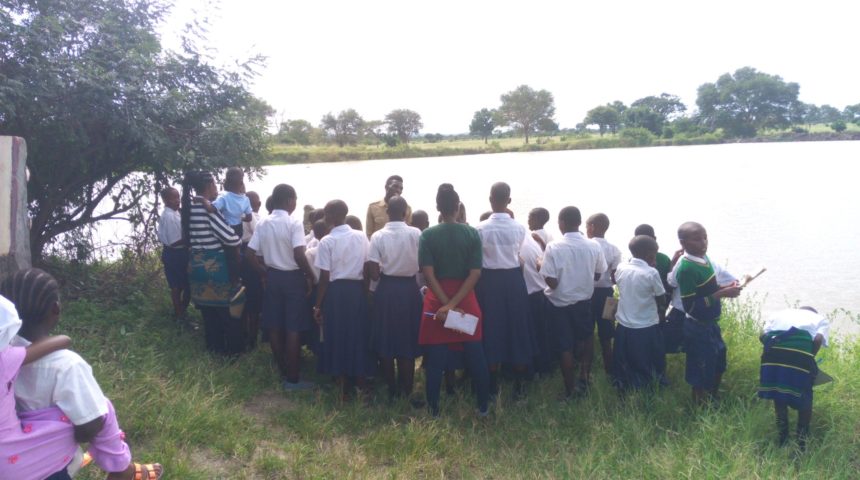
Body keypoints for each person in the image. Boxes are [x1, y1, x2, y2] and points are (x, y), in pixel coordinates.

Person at [1, 272, 163, 480]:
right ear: (55, 309)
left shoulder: (6, 355)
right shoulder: (67, 366)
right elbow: (91, 425)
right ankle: (120, 469)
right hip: (42, 466)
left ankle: (102, 464)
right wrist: (71, 438)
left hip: (16, 449)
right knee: (103, 409)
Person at [418, 184, 490, 417]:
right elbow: (475, 274)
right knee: (475, 354)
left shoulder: (427, 235)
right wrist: (454, 304)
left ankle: (434, 410)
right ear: (458, 207)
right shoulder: (471, 234)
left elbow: (428, 274)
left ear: (438, 208)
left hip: (436, 301)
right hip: (465, 298)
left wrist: (445, 304)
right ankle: (483, 407)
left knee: (436, 358)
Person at [246, 184, 316, 391]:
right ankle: (293, 379)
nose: (295, 204)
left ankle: (283, 370)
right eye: (295, 200)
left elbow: (250, 254)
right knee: (293, 327)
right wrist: (310, 275)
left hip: (273, 277)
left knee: (275, 326)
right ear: (288, 200)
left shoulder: (263, 222)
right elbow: (298, 254)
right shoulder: (293, 222)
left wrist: (264, 273)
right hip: (292, 279)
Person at [672, 221, 742, 405]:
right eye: (697, 239)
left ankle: (713, 398)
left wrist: (728, 288)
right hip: (697, 327)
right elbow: (690, 306)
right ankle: (698, 408)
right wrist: (721, 294)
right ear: (683, 243)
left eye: (705, 238)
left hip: (711, 324)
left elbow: (709, 288)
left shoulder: (705, 259)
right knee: (700, 368)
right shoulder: (686, 269)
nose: (703, 243)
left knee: (718, 360)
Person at [475, 182, 533, 400]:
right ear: (509, 201)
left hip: (489, 282)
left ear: (490, 199)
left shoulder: (479, 229)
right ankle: (519, 384)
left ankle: (492, 385)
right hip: (513, 280)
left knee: (491, 328)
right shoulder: (519, 228)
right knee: (517, 328)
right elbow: (518, 255)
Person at [541, 206, 607, 399]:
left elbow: (552, 283)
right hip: (584, 301)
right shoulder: (593, 246)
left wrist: (540, 265)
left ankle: (570, 390)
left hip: (560, 305)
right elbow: (597, 273)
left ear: (561, 223)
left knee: (565, 347)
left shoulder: (553, 247)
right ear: (580, 223)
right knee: (586, 338)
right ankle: (584, 377)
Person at [314, 200, 374, 399]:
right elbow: (366, 269)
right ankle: (361, 384)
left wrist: (318, 304)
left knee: (337, 335)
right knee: (358, 335)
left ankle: (342, 387)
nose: (324, 218)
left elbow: (324, 278)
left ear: (331, 215)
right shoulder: (360, 236)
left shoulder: (327, 241)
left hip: (336, 292)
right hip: (356, 290)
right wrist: (364, 292)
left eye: (326, 214)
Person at [182, 170, 245, 355]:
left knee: (208, 313)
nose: (217, 188)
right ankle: (234, 352)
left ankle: (214, 349)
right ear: (209, 186)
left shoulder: (188, 207)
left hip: (197, 265)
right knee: (228, 314)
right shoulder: (208, 209)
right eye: (215, 184)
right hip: (215, 268)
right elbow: (232, 239)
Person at [367, 196, 423, 400]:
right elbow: (423, 264)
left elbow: (373, 273)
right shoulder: (416, 233)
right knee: (406, 340)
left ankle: (391, 389)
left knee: (386, 339)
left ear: (388, 211)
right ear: (405, 212)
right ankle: (406, 390)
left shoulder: (378, 236)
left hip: (387, 290)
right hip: (409, 290)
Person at [758, 307, 829, 450]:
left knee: (779, 393)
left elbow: (762, 334)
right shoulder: (820, 319)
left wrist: (775, 349)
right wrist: (810, 358)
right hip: (800, 354)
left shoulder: (778, 313)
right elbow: (818, 339)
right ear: (813, 313)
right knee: (805, 395)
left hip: (773, 353)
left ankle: (782, 439)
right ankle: (801, 442)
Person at [612, 236, 667, 390]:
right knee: (647, 359)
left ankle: (623, 380)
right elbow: (661, 298)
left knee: (624, 357)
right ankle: (646, 384)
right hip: (645, 324)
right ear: (650, 255)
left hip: (623, 323)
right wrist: (661, 311)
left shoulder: (621, 267)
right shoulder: (651, 273)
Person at [586, 213, 622, 375]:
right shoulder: (615, 249)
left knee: (586, 332)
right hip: (608, 294)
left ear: (592, 227)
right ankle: (610, 369)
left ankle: (586, 369)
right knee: (607, 334)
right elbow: (615, 278)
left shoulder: (586, 246)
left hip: (587, 294)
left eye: (587, 227)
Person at [520, 213, 553, 376]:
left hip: (530, 295)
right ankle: (544, 368)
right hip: (540, 293)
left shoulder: (520, 243)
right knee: (541, 334)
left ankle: (531, 370)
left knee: (529, 334)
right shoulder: (530, 239)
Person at [156, 186, 189, 321]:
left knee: (185, 285)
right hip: (174, 254)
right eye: (173, 198)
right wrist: (190, 239)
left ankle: (180, 311)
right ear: (165, 200)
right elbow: (174, 241)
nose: (177, 200)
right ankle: (179, 313)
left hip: (179, 253)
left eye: (178, 197)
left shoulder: (176, 213)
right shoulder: (169, 216)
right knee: (177, 286)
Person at [241, 191, 263, 349]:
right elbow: (260, 236)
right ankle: (252, 338)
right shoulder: (252, 217)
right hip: (250, 254)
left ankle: (246, 333)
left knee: (244, 296)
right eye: (256, 202)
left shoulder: (236, 216)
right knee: (253, 298)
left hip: (239, 253)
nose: (258, 204)